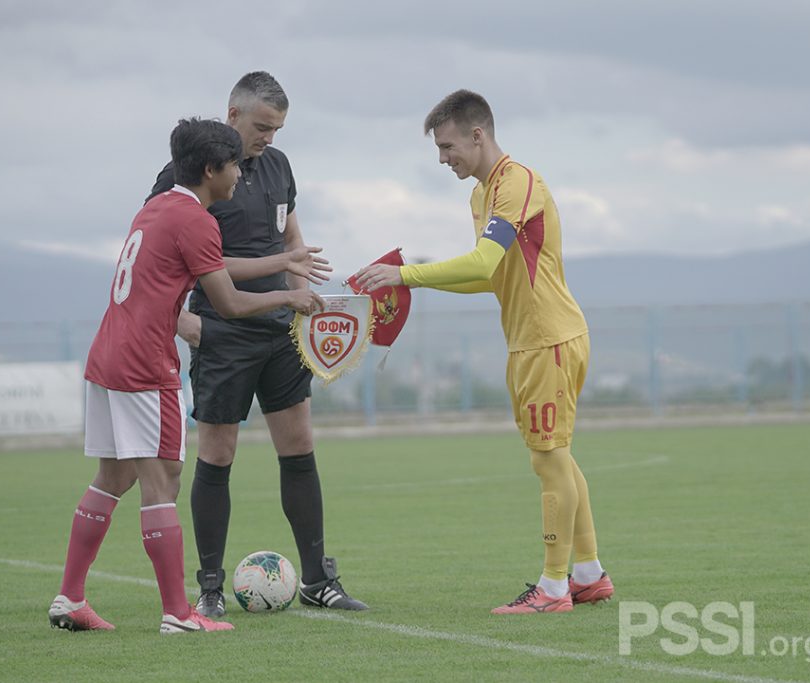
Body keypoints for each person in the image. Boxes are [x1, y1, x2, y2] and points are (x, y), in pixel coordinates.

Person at [48, 117, 325, 634]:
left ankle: (70, 597)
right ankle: (178, 613)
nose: (240, 177)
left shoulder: (159, 207)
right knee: (164, 481)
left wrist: (283, 258)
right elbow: (228, 301)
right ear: (209, 169)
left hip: (107, 354)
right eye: (233, 168)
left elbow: (210, 266)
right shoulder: (197, 220)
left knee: (114, 477)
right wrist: (289, 293)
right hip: (144, 363)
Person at [356, 90, 614, 614]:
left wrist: (405, 274)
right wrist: (412, 285)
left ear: (479, 135)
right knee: (557, 456)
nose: (442, 157)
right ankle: (587, 575)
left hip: (550, 340)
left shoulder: (517, 181)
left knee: (548, 461)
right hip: (531, 342)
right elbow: (490, 274)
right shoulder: (482, 196)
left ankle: (554, 587)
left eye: (448, 145)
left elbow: (480, 262)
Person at [146, 71, 368, 615]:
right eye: (263, 126)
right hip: (222, 330)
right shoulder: (185, 175)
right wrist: (184, 323)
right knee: (218, 454)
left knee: (299, 446)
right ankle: (211, 588)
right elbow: (159, 258)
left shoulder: (278, 165)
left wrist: (303, 305)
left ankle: (317, 579)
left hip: (280, 326)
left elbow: (291, 238)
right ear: (233, 114)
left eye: (278, 128)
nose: (270, 137)